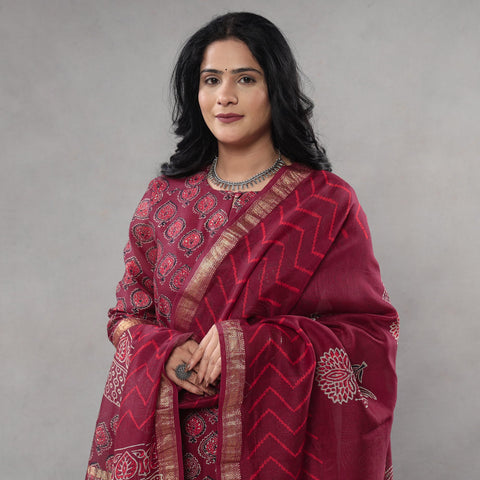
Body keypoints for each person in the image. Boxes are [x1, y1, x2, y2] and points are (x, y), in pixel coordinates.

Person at [86, 12, 399, 480]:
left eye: (246, 79)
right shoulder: (163, 199)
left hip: (273, 449)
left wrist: (249, 345)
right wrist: (164, 350)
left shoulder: (324, 202)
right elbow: (127, 315)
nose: (225, 96)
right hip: (170, 446)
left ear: (276, 88)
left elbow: (369, 334)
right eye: (211, 80)